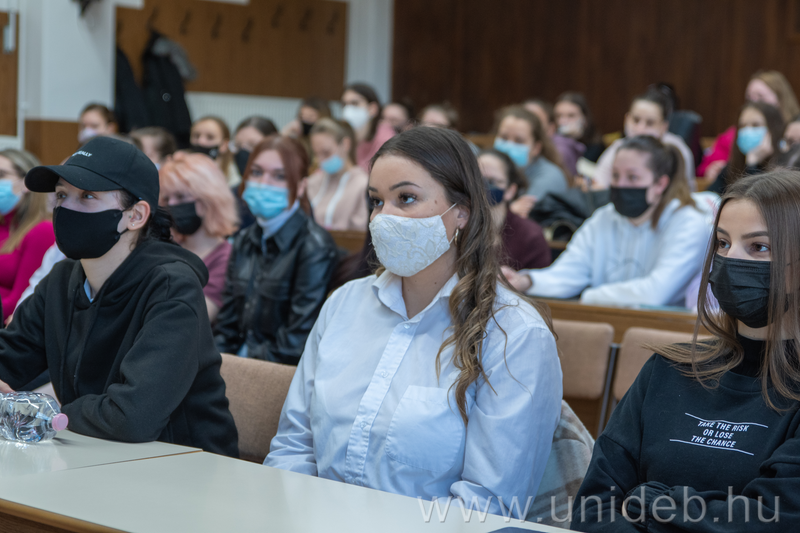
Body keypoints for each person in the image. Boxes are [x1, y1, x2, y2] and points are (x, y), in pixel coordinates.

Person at [265, 127, 562, 518]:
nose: (384, 217)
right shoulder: (344, 304)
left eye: (406, 198)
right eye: (376, 201)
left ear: (461, 212)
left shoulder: (515, 335)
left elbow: (488, 505)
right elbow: (293, 447)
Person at [573, 169, 800, 530]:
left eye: (759, 247)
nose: (731, 260)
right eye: (722, 243)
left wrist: (650, 502)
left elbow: (773, 520)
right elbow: (593, 507)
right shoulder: (667, 369)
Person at [0, 136, 238, 457]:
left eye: (87, 196)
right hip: (94, 455)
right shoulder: (61, 280)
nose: (66, 208)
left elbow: (132, 417)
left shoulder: (171, 287)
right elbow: (9, 359)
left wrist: (47, 414)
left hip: (185, 465)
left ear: (135, 215)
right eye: (61, 195)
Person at [503, 136, 708, 307]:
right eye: (615, 176)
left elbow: (655, 293)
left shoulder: (688, 223)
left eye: (632, 177)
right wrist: (525, 281)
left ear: (660, 184)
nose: (620, 185)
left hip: (665, 333)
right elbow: (568, 272)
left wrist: (590, 295)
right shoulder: (605, 217)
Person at [214, 135, 338, 364]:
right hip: (234, 364)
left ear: (300, 186)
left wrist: (239, 368)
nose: (264, 183)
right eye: (256, 172)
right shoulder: (244, 239)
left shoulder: (314, 247)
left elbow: (295, 343)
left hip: (273, 371)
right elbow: (226, 326)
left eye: (279, 176)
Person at [159, 152, 239, 324]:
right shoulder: (167, 246)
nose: (171, 205)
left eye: (180, 196)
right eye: (166, 198)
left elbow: (196, 316)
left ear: (208, 200)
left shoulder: (227, 257)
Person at [699, 70, 800, 181]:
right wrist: (713, 169)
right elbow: (706, 170)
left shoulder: (793, 129)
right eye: (749, 97)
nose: (754, 102)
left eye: (760, 96)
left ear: (781, 99)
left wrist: (752, 163)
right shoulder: (735, 135)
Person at [594, 89, 696, 191]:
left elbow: (685, 191)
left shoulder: (677, 150)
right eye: (636, 120)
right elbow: (598, 185)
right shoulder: (618, 148)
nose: (640, 129)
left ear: (664, 126)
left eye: (650, 123)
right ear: (627, 119)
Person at [0, 149, 55, 316]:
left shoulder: (42, 230)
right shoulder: (4, 224)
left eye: (1, 174)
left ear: (26, 183)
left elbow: (21, 303)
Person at [478, 149, 551, 270]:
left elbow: (539, 278)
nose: (482, 186)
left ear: (510, 190)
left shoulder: (530, 236)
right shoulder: (459, 225)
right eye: (476, 179)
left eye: (491, 181)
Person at [493, 106, 570, 219]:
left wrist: (508, 211)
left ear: (536, 148)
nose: (509, 145)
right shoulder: (489, 167)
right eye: (504, 138)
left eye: (519, 141)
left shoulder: (549, 177)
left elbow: (520, 217)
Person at [707, 102, 784, 195]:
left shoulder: (784, 166)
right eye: (742, 126)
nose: (747, 131)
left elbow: (754, 198)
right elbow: (710, 195)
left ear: (773, 129)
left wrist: (752, 164)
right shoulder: (734, 165)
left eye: (756, 125)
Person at [307, 118, 369, 231]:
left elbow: (359, 234)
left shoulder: (362, 184)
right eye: (316, 154)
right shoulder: (313, 182)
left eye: (326, 153)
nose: (321, 160)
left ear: (345, 144)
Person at [524, 98, 585, 178]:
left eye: (535, 121)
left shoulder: (561, 151)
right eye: (559, 116)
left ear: (551, 128)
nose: (563, 121)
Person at [341, 83, 395, 170]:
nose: (348, 110)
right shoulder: (344, 134)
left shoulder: (386, 140)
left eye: (354, 103)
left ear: (372, 109)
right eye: (344, 104)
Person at [190, 116, 240, 188]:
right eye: (196, 136)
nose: (201, 141)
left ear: (224, 145)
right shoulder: (180, 162)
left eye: (210, 137)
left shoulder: (230, 171)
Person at [555, 92, 605, 162]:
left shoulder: (595, 147)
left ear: (585, 119)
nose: (562, 121)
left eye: (571, 115)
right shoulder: (550, 142)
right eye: (558, 116)